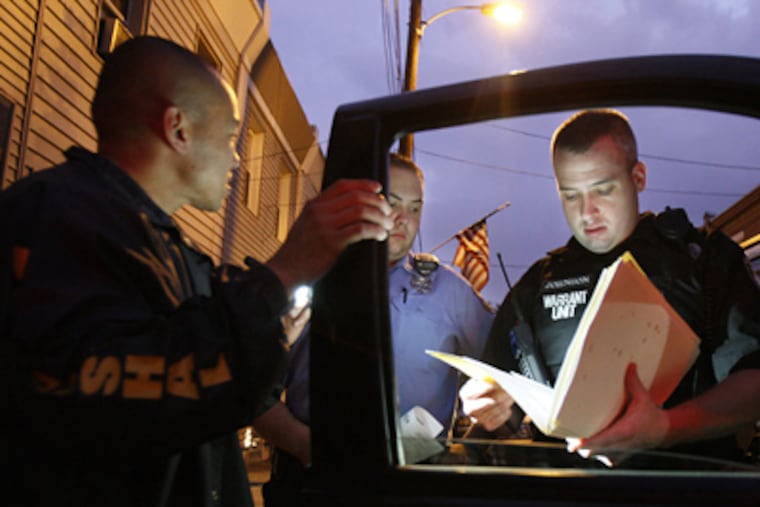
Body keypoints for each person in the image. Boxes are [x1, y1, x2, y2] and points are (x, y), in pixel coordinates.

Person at [0, 36, 393, 507]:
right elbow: (109, 394)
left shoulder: (160, 243)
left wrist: (267, 325)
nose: (238, 158)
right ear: (178, 128)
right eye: (229, 135)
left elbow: (204, 381)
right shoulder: (53, 217)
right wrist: (281, 275)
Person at [460, 109, 760, 462]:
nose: (587, 212)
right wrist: (486, 405)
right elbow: (497, 399)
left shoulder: (704, 261)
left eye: (602, 190)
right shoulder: (537, 285)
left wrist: (666, 427)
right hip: (570, 493)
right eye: (571, 196)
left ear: (638, 176)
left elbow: (754, 380)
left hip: (685, 487)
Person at [260, 152, 494, 505]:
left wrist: (471, 444)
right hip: (313, 483)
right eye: (392, 203)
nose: (404, 220)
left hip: (410, 486)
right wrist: (302, 445)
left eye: (415, 207)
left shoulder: (450, 292)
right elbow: (249, 388)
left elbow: (502, 370)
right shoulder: (308, 278)